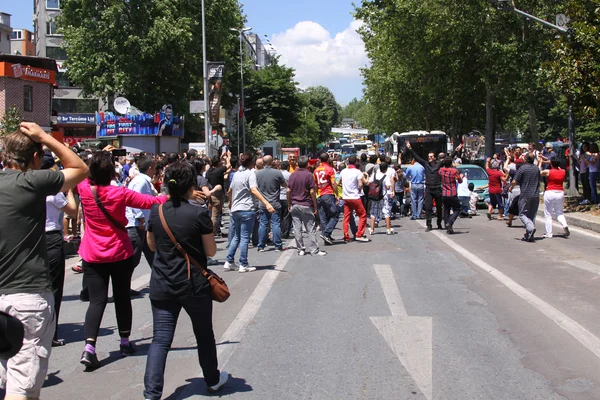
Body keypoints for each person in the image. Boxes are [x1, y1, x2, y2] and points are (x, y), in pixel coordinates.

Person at [0, 122, 88, 400]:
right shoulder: (30, 182)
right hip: (27, 294)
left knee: (10, 380)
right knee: (22, 387)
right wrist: (46, 137)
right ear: (36, 157)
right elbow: (80, 169)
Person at [143, 162, 228, 398]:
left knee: (160, 339)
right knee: (203, 334)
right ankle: (212, 380)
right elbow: (210, 251)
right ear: (191, 185)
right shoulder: (198, 213)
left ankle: (152, 393)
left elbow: (151, 245)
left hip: (162, 281)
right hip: (193, 284)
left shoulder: (156, 211)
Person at [77, 151, 167, 370]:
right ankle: (125, 342)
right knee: (121, 297)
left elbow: (78, 171)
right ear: (111, 172)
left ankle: (89, 347)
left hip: (92, 253)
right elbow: (152, 202)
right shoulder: (119, 193)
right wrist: (174, 195)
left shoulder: (83, 190)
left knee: (96, 301)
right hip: (118, 251)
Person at [42, 154, 78, 347]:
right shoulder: (53, 189)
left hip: (34, 238)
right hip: (51, 238)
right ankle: (52, 332)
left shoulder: (29, 186)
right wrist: (69, 191)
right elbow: (72, 211)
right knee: (54, 287)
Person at [224, 153, 275, 272]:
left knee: (237, 236)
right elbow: (253, 189)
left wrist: (231, 203)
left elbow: (230, 190)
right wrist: (267, 203)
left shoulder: (236, 174)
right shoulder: (250, 174)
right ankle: (243, 264)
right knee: (245, 237)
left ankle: (229, 261)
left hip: (235, 209)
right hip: (247, 208)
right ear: (251, 162)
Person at [406, 140, 463, 230]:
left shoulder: (439, 164)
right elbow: (416, 157)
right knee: (428, 207)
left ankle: (439, 223)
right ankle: (429, 225)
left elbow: (449, 158)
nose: (430, 158)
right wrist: (410, 148)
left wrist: (456, 150)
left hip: (437, 189)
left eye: (431, 156)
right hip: (429, 189)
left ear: (435, 158)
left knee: (439, 208)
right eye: (429, 156)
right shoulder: (425, 164)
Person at [287, 156, 327, 256]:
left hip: (294, 204)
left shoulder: (292, 175)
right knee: (310, 228)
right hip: (306, 204)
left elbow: (288, 191)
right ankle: (314, 250)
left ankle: (300, 249)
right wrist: (315, 206)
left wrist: (289, 203)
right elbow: (312, 192)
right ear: (306, 164)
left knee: (297, 228)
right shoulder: (309, 175)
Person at [125, 156, 158, 273]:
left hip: (144, 225)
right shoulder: (141, 182)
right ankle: (124, 287)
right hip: (137, 225)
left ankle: (161, 282)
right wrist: (141, 219)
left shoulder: (144, 181)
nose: (156, 169)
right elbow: (135, 200)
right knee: (134, 257)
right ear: (150, 167)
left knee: (152, 255)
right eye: (155, 166)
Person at [255, 155, 286, 252]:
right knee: (275, 224)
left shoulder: (257, 174)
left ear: (263, 163)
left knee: (263, 224)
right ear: (272, 162)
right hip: (275, 203)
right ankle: (278, 245)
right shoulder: (277, 173)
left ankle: (261, 245)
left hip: (263, 203)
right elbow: (284, 185)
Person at [509, 154, 540, 242]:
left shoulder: (522, 168)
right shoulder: (536, 168)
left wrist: (511, 187)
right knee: (531, 216)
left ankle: (530, 228)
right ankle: (529, 234)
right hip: (535, 195)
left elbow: (515, 180)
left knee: (522, 214)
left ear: (526, 159)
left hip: (525, 194)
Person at [338, 156, 370, 243]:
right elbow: (362, 184)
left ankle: (346, 236)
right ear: (356, 162)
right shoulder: (358, 172)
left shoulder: (343, 171)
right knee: (363, 215)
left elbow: (339, 182)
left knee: (346, 217)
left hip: (346, 198)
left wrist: (345, 187)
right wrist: (366, 177)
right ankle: (359, 234)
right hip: (355, 197)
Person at [313, 153, 339, 245]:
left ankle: (326, 237)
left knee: (323, 217)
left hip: (319, 195)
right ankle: (326, 233)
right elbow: (333, 183)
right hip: (328, 194)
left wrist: (316, 194)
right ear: (328, 159)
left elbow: (315, 184)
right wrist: (337, 195)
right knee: (335, 215)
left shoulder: (316, 170)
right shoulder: (330, 169)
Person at [540, 158, 570, 238]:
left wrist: (540, 164)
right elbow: (559, 169)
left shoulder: (548, 171)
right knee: (559, 212)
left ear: (551, 164)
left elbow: (539, 173)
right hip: (560, 192)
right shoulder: (563, 171)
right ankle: (564, 224)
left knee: (548, 214)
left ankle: (549, 233)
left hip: (550, 192)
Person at [205, 153, 231, 237]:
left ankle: (213, 230)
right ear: (218, 163)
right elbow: (229, 165)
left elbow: (217, 163)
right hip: (217, 195)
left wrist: (220, 156)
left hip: (210, 194)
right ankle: (211, 232)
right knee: (215, 216)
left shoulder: (210, 171)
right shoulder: (218, 170)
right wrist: (228, 157)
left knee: (210, 214)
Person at [368, 162, 394, 235]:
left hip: (375, 196)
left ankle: (372, 229)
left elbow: (369, 182)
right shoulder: (385, 176)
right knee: (386, 212)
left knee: (373, 212)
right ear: (386, 169)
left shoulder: (374, 175)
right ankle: (388, 229)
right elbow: (388, 187)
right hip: (383, 197)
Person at [438, 157, 463, 234]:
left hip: (444, 193)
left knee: (446, 209)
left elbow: (439, 173)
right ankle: (450, 222)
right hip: (452, 193)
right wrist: (460, 177)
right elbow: (460, 181)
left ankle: (447, 226)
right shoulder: (454, 171)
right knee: (457, 209)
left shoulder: (441, 170)